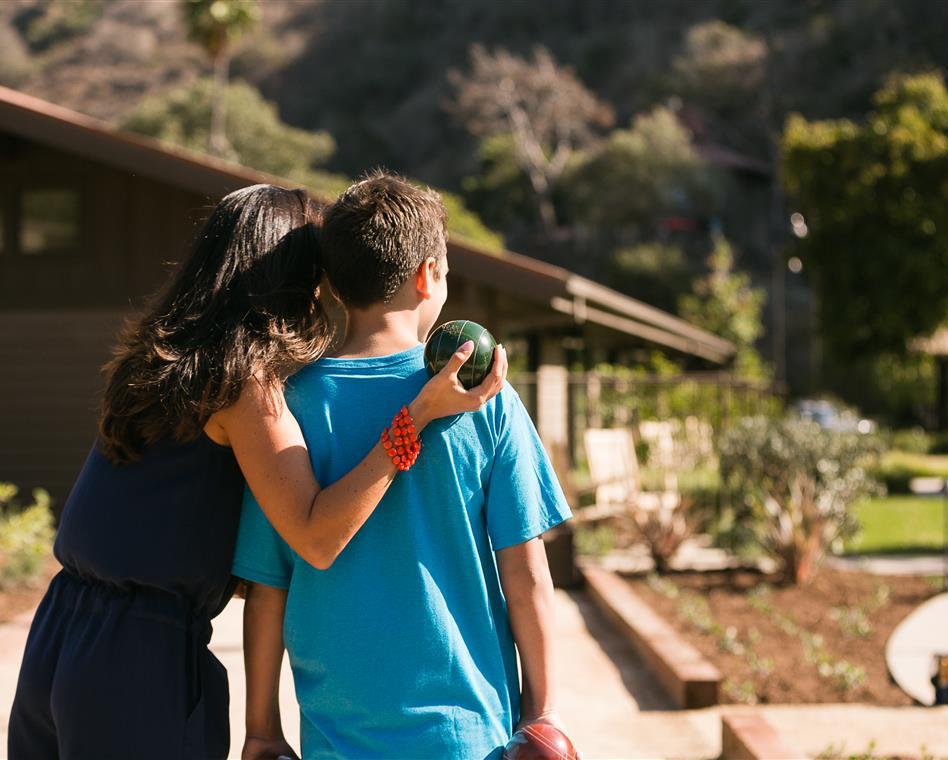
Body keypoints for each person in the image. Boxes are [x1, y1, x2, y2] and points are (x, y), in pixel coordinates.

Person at [7, 184, 506, 760]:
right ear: (293, 279)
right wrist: (414, 418)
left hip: (61, 628)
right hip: (139, 658)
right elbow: (316, 537)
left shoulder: (157, 360)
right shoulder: (243, 384)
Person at [234, 172, 574, 760]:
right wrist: (541, 716)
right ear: (429, 275)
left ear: (335, 289)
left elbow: (267, 590)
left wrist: (262, 730)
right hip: (470, 739)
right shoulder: (486, 399)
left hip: (337, 742)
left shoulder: (285, 409)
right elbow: (527, 576)